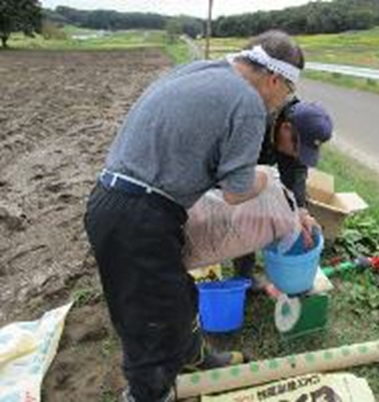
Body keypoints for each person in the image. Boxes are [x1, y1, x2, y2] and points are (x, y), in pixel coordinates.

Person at [83, 30, 304, 402]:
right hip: (139, 216)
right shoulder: (248, 102)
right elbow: (235, 191)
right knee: (152, 325)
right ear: (274, 79)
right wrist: (266, 178)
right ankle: (147, 394)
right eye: (287, 94)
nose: (281, 103)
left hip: (115, 200)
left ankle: (193, 358)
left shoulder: (199, 70)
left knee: (178, 297)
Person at [234, 99, 333, 286]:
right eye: (298, 149)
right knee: (246, 209)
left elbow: (296, 171)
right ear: (286, 128)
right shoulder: (254, 124)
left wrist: (301, 209)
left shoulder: (297, 129)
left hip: (261, 158)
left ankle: (244, 272)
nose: (298, 155)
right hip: (226, 165)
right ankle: (242, 274)